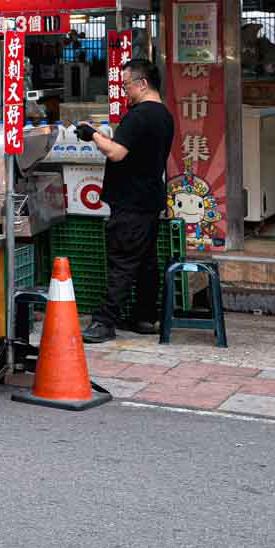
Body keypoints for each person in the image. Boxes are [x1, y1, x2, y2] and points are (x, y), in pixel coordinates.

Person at [74, 58, 175, 343]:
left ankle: (104, 322)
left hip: (131, 201)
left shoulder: (139, 116)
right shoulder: (164, 115)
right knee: (145, 261)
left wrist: (91, 133)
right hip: (150, 198)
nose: (124, 90)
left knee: (123, 260)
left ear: (142, 84)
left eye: (127, 84)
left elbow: (117, 153)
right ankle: (144, 316)